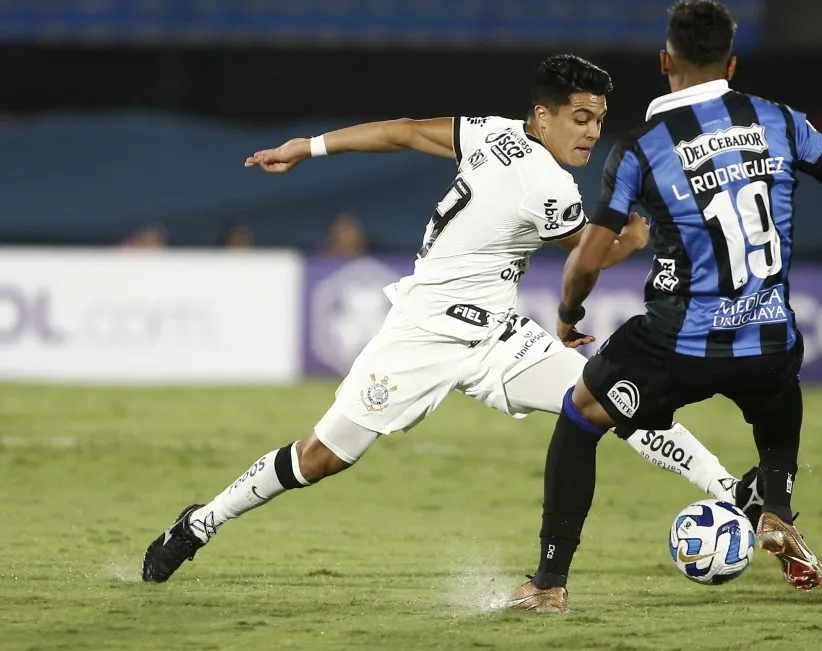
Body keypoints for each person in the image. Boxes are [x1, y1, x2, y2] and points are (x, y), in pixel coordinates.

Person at [141, 54, 761, 584]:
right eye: (580, 118)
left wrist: (309, 146)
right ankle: (201, 522)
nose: (592, 132)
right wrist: (638, 235)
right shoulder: (546, 184)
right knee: (320, 458)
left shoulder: (494, 132)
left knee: (610, 398)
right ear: (543, 115)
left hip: (497, 336)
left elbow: (406, 132)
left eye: (598, 120)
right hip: (423, 335)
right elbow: (589, 257)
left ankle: (733, 493)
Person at [507, 0, 822, 612]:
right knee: (777, 398)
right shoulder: (779, 121)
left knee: (581, 415)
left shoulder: (644, 148)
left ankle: (548, 584)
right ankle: (775, 506)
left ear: (665, 61)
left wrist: (569, 314)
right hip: (770, 339)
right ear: (730, 64)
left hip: (680, 343)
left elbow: (587, 260)